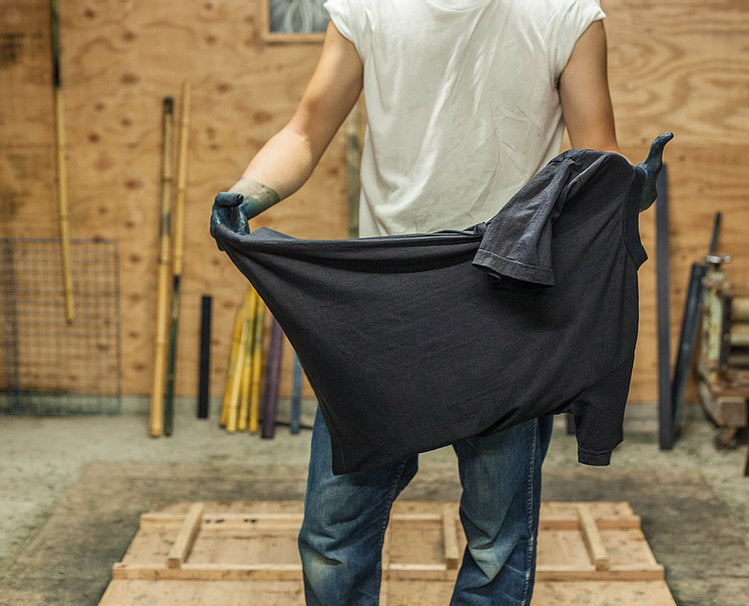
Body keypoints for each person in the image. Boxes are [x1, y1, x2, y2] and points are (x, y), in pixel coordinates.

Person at [213, 1, 628, 603]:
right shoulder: (367, 8)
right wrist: (247, 194)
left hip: (507, 300)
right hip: (386, 301)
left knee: (497, 542)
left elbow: (595, 155)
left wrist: (624, 187)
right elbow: (306, 129)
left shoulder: (562, 11)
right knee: (333, 533)